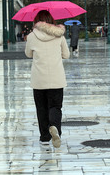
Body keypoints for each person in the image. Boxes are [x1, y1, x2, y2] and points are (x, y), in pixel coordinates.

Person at [25, 10, 70, 148]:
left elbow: (28, 54)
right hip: (56, 78)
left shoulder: (32, 36)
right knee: (55, 107)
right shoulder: (59, 35)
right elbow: (66, 55)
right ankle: (55, 127)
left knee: (41, 108)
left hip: (39, 79)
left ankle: (44, 137)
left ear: (37, 21)